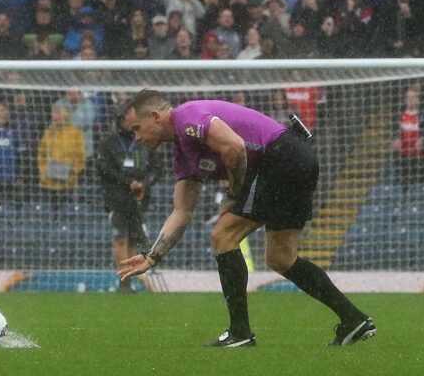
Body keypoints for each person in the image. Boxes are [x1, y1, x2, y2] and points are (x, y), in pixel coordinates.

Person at [118, 89, 375, 347]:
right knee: (281, 258)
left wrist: (234, 192)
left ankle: (240, 332)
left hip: (281, 158)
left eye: (138, 129)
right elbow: (182, 211)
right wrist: (152, 257)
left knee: (223, 236)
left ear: (156, 117)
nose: (137, 137)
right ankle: (353, 319)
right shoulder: (183, 155)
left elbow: (235, 147)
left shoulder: (187, 117)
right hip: (297, 159)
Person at [96, 108, 162, 293]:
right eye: (128, 118)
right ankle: (123, 283)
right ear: (121, 119)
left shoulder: (146, 140)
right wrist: (127, 181)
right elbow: (104, 168)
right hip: (116, 197)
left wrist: (144, 183)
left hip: (140, 197)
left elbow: (157, 168)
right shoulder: (109, 142)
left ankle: (130, 279)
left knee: (134, 240)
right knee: (121, 238)